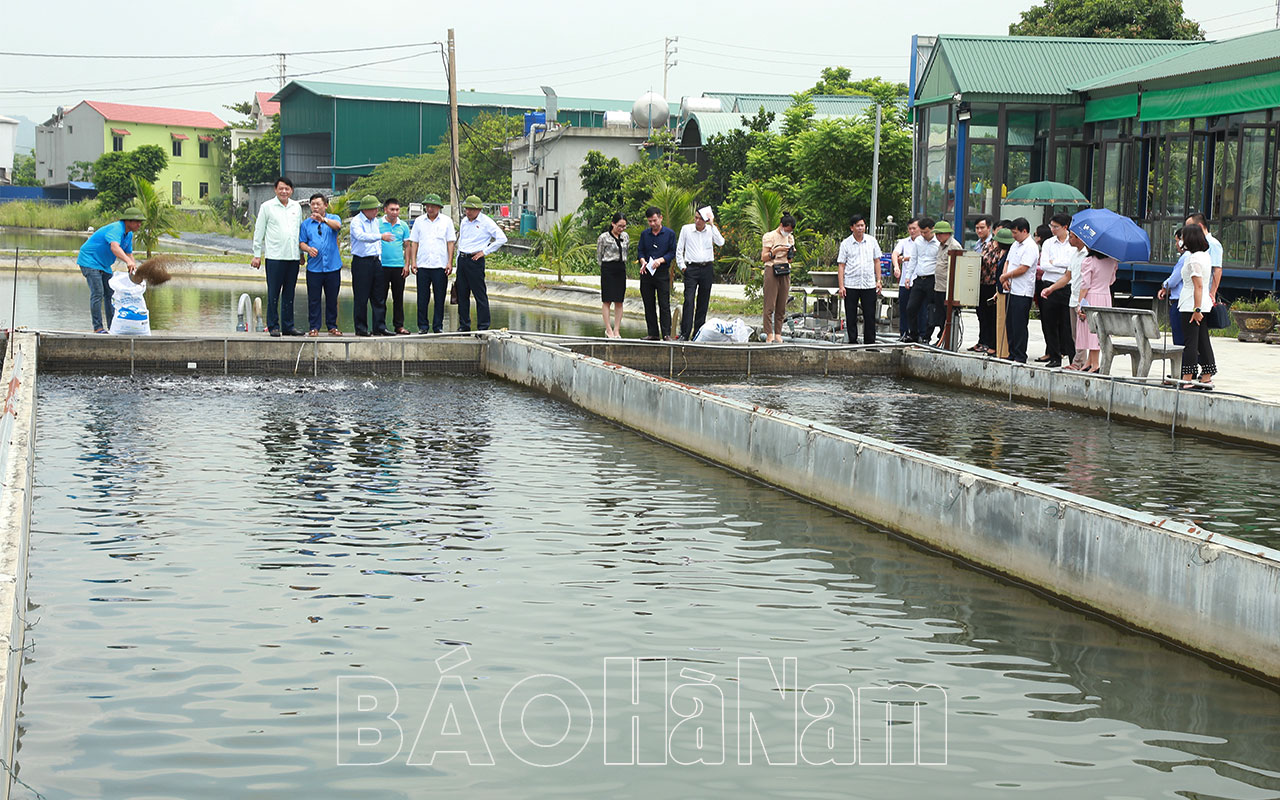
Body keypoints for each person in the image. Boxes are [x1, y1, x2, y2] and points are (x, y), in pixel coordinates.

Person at [251, 176, 305, 336]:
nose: (284, 191)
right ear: (275, 190)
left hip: (293, 257)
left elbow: (298, 231)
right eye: (281, 188)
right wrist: (256, 254)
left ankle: (289, 326)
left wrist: (301, 254)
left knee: (289, 293)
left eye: (287, 188)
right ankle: (273, 326)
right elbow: (259, 231)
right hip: (274, 257)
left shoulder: (297, 207)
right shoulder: (267, 207)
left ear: (291, 190)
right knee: (274, 293)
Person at [76, 206, 142, 333]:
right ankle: (98, 328)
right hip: (90, 260)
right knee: (98, 293)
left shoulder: (129, 234)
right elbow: (114, 247)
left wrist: (133, 266)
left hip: (104, 264)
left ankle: (113, 326)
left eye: (140, 222)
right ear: (128, 221)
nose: (139, 224)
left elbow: (128, 252)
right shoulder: (117, 228)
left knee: (110, 294)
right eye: (136, 221)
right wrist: (128, 262)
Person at [456, 195, 507, 332]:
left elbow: (502, 238)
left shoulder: (486, 222)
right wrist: (457, 261)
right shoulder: (464, 222)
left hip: (475, 260)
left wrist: (485, 251)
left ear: (478, 209)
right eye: (466, 209)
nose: (468, 212)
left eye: (471, 210)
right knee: (462, 294)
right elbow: (462, 241)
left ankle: (483, 327)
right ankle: (464, 325)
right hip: (462, 259)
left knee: (479, 295)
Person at [407, 193, 456, 334]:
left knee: (439, 297)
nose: (429, 209)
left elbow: (450, 243)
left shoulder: (446, 221)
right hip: (423, 265)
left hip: (440, 265)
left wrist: (449, 262)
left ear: (439, 207)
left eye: (433, 206)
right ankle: (422, 326)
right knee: (422, 298)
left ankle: (438, 326)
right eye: (427, 206)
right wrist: (413, 261)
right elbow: (414, 242)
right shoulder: (419, 221)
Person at [1177, 224, 1217, 389]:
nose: (1181, 241)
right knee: (1202, 340)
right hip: (1202, 303)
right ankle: (1206, 375)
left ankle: (1187, 377)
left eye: (1183, 237)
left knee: (1190, 342)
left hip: (1191, 304)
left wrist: (1196, 309)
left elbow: (1198, 286)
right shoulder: (1205, 256)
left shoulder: (1193, 259)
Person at [675, 207, 725, 340]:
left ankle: (698, 333)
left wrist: (712, 225)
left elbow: (721, 242)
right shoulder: (686, 229)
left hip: (707, 267)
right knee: (689, 300)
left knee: (703, 301)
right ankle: (685, 333)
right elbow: (679, 249)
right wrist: (683, 267)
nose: (697, 221)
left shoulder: (710, 230)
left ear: (706, 220)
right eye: (696, 217)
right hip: (691, 268)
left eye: (700, 219)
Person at [349, 194, 394, 337]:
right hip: (361, 261)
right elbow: (361, 236)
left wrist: (379, 256)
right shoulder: (356, 221)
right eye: (374, 209)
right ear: (366, 210)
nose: (376, 212)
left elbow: (376, 242)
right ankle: (361, 327)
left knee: (379, 296)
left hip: (375, 261)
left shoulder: (375, 221)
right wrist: (380, 236)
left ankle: (379, 326)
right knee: (361, 296)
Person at [1036, 213, 1077, 367]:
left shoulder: (1072, 242)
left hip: (1067, 287)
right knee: (1049, 322)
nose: (1052, 229)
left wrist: (1056, 263)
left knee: (1068, 324)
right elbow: (1045, 264)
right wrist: (1062, 266)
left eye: (1056, 227)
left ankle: (1073, 358)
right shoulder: (1048, 243)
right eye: (1051, 226)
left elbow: (1071, 265)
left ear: (1065, 227)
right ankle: (1054, 356)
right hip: (1049, 284)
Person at [299, 193, 343, 336]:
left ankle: (332, 326)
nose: (315, 207)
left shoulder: (333, 218)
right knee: (314, 299)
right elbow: (301, 242)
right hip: (314, 268)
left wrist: (323, 220)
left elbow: (337, 226)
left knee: (332, 298)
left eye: (318, 204)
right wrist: (308, 249)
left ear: (325, 205)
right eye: (313, 204)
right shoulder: (306, 224)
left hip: (332, 266)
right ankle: (314, 327)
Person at [837, 213, 882, 344]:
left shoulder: (872, 241)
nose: (860, 228)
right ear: (852, 228)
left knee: (870, 315)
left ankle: (870, 342)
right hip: (851, 284)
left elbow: (877, 261)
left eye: (862, 225)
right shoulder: (846, 244)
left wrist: (878, 280)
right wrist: (841, 286)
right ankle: (852, 341)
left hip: (868, 284)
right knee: (851, 315)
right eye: (858, 226)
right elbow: (841, 265)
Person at [1073, 245, 1119, 373]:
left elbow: (1085, 285)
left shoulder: (1089, 261)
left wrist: (1080, 303)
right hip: (1105, 296)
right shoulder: (1112, 261)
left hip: (1091, 297)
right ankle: (1090, 361)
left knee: (1090, 330)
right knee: (1100, 330)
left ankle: (1095, 364)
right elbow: (1111, 281)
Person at [999, 218, 1038, 363]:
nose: (1013, 235)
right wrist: (1005, 279)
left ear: (1024, 231)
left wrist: (1005, 276)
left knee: (1019, 325)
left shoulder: (1030, 246)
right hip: (1011, 288)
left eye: (1015, 232)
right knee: (1010, 324)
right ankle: (1012, 352)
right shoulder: (1015, 244)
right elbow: (1008, 262)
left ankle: (1020, 355)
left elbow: (1023, 268)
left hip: (1022, 291)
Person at [637, 206, 677, 340]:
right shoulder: (645, 234)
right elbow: (640, 251)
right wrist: (643, 261)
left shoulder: (669, 234)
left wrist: (661, 260)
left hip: (661, 273)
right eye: (650, 221)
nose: (652, 224)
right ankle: (653, 333)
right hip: (646, 273)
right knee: (649, 304)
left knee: (664, 304)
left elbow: (672, 252)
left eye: (654, 220)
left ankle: (666, 333)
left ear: (660, 218)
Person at [108, 257, 172, 335]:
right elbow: (115, 247)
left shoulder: (120, 284)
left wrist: (131, 262)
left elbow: (129, 254)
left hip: (119, 327)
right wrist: (129, 261)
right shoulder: (137, 287)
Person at [971, 223, 1009, 353]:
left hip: (994, 285)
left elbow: (992, 263)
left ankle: (992, 343)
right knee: (981, 314)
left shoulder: (1005, 249)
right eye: (998, 231)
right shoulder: (987, 245)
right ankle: (982, 341)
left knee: (993, 316)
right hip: (982, 283)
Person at [761, 213, 797, 343]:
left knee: (782, 304)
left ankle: (778, 333)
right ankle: (769, 333)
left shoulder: (790, 238)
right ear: (781, 225)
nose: (788, 233)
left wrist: (790, 252)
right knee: (769, 304)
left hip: (785, 270)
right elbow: (764, 257)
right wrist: (776, 251)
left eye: (790, 231)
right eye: (787, 230)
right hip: (772, 269)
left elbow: (790, 259)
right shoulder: (770, 236)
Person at [903, 217, 939, 343]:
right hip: (919, 279)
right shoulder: (918, 241)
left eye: (926, 232)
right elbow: (913, 259)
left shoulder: (938, 242)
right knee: (911, 308)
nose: (924, 235)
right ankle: (913, 334)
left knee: (931, 309)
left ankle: (926, 336)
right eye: (922, 232)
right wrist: (908, 276)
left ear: (932, 229)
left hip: (932, 279)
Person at [379, 198, 412, 335]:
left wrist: (407, 264)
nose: (395, 212)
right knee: (380, 298)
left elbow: (407, 245)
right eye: (392, 209)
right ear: (385, 209)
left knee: (398, 298)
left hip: (398, 266)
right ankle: (380, 325)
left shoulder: (403, 225)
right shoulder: (378, 224)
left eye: (397, 209)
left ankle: (399, 325)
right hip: (381, 266)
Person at [930, 220, 964, 346]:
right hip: (939, 286)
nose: (938, 236)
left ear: (947, 233)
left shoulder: (954, 246)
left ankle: (946, 340)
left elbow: (957, 268)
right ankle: (941, 338)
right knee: (939, 316)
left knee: (946, 316)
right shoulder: (941, 245)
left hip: (948, 288)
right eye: (936, 234)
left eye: (940, 234)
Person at [597, 213, 629, 338]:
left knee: (619, 300)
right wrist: (604, 267)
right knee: (607, 299)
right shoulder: (603, 237)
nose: (621, 229)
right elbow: (599, 255)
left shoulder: (625, 236)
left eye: (624, 226)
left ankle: (617, 330)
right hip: (608, 268)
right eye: (619, 226)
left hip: (620, 268)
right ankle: (608, 329)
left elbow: (626, 251)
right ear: (613, 224)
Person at [1063, 231, 1090, 369]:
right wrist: (1051, 288)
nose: (1069, 239)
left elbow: (1086, 282)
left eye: (1071, 237)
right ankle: (1080, 361)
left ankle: (1079, 362)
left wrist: (1082, 301)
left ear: (1079, 238)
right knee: (1075, 334)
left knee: (1083, 334)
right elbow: (1068, 276)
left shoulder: (1088, 255)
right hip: (1073, 298)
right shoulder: (1074, 254)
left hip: (1083, 299)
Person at [1158, 230, 1189, 347]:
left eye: (1177, 241)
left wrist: (1164, 286)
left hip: (1179, 303)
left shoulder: (1185, 257)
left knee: (1179, 340)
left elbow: (1174, 279)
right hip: (1186, 302)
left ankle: (1182, 364)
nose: (1176, 244)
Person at [891, 217, 920, 340]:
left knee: (918, 310)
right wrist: (897, 266)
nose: (912, 231)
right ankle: (904, 333)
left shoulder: (923, 242)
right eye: (910, 229)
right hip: (905, 282)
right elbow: (895, 254)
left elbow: (916, 257)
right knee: (904, 309)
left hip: (918, 281)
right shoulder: (904, 242)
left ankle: (919, 334)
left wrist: (904, 258)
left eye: (914, 228)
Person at [1186, 213, 1223, 301]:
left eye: (1189, 227)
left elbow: (1217, 270)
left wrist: (1212, 293)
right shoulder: (1195, 243)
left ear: (1199, 226)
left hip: (1204, 293)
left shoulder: (1213, 244)